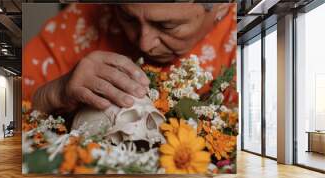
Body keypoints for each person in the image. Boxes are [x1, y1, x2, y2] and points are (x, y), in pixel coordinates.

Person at [23, 3, 237, 114]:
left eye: (167, 26)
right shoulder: (79, 23)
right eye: (127, 17)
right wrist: (54, 94)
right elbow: (15, 115)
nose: (144, 43)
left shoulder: (249, 43)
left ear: (221, 6)